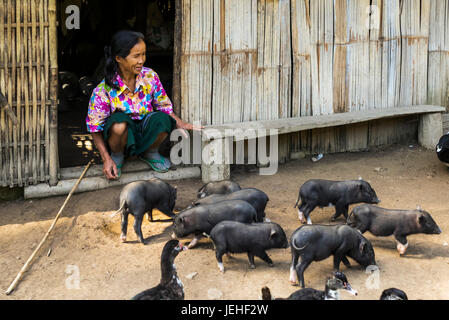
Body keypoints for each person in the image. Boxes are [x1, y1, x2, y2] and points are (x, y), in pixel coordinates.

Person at [86, 30, 199, 180]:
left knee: (163, 119)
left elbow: (164, 107)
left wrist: (180, 123)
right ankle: (118, 156)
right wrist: (107, 159)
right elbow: (95, 128)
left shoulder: (150, 76)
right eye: (136, 56)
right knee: (119, 122)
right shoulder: (103, 90)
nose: (142, 60)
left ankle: (151, 153)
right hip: (122, 138)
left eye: (143, 54)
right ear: (119, 58)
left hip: (145, 130)